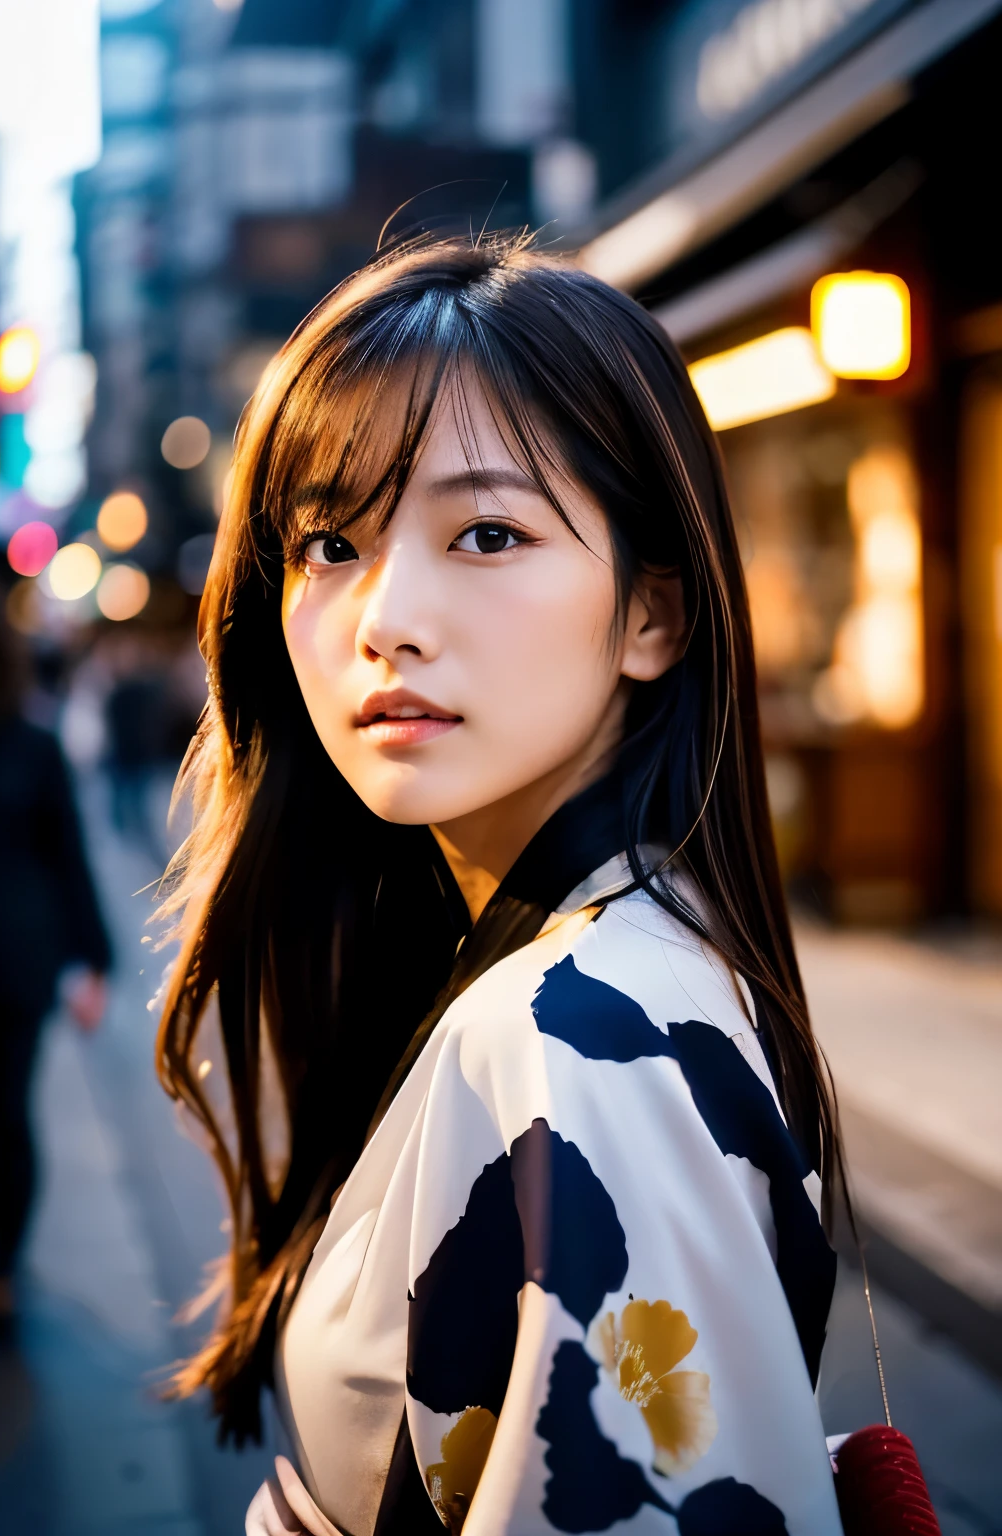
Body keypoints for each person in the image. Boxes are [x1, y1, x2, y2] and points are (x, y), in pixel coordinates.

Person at [156, 238, 843, 1534]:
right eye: (327, 543)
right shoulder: (604, 966)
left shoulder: (570, 1028)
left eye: (486, 532)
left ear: (656, 615)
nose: (385, 616)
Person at [0, 586, 111, 1319]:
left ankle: (2, 1266)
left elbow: (69, 858)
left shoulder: (33, 747)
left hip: (11, 971)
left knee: (9, 1115)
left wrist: (90, 963)